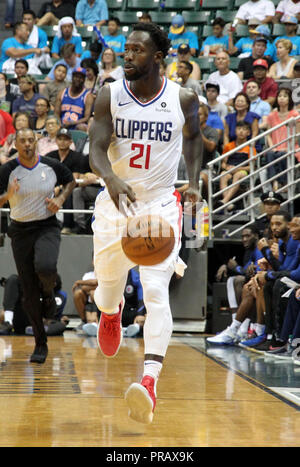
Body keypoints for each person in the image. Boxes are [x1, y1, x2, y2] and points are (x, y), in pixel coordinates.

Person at [89, 22, 202, 424]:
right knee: (106, 288)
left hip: (159, 206)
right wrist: (110, 177)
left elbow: (193, 140)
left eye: (137, 50)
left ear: (158, 58)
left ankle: (150, 380)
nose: (128, 56)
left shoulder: (183, 98)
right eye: (126, 49)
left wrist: (194, 183)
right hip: (115, 206)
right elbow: (95, 150)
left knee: (157, 293)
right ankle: (111, 310)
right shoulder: (110, 94)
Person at [0, 128, 75, 363]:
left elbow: (71, 181)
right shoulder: (8, 170)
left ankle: (49, 294)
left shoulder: (51, 165)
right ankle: (40, 344)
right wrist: (7, 195)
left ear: (37, 142)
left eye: (31, 140)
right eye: (22, 141)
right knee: (28, 292)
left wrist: (61, 199)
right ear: (16, 145)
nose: (27, 145)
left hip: (46, 226)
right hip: (20, 231)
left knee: (46, 266)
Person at [211, 225, 264, 344]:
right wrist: (228, 266)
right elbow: (246, 270)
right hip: (255, 283)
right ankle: (235, 325)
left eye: (247, 236)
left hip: (261, 284)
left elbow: (253, 272)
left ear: (256, 236)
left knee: (240, 281)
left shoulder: (259, 249)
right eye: (243, 236)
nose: (244, 239)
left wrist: (236, 267)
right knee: (232, 280)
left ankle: (241, 329)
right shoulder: (249, 251)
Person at [46, 127, 90, 233]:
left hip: (67, 186)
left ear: (71, 142)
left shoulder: (77, 157)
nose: (62, 142)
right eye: (60, 139)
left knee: (68, 192)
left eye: (65, 139)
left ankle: (67, 226)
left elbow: (73, 179)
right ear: (56, 141)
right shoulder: (50, 156)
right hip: (51, 187)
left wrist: (59, 187)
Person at [0, 273, 68, 336]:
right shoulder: (30, 286)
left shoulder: (56, 295)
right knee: (13, 278)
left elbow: (50, 317)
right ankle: (8, 323)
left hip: (40, 323)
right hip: (24, 317)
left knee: (61, 325)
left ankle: (36, 330)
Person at [217, 121, 257, 212]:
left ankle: (225, 201)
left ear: (248, 133)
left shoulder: (250, 148)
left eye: (244, 129)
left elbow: (251, 167)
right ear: (235, 131)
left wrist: (238, 168)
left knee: (238, 175)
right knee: (223, 174)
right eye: (239, 129)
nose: (241, 131)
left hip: (242, 171)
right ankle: (228, 203)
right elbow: (223, 162)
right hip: (229, 170)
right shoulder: (228, 146)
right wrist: (226, 167)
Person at [265, 87, 300, 190]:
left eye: (285, 96)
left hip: (290, 147)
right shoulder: (271, 116)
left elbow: (297, 134)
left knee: (283, 154)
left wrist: (288, 147)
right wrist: (272, 146)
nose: (281, 98)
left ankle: (284, 183)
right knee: (270, 153)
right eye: (279, 96)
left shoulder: (295, 115)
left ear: (289, 99)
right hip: (275, 146)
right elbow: (268, 134)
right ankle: (275, 182)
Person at [55, 67, 94, 131]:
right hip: (62, 124)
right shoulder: (62, 92)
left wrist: (72, 123)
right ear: (72, 78)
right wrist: (59, 124)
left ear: (84, 79)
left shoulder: (88, 96)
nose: (78, 79)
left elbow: (87, 117)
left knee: (81, 127)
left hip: (77, 125)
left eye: (80, 77)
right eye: (76, 77)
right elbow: (56, 113)